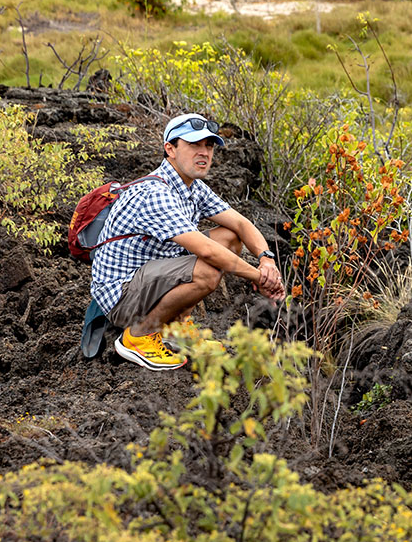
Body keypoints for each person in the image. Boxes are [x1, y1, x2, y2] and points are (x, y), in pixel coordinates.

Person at [90, 113, 285, 370]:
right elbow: (205, 250)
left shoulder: (192, 186)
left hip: (149, 278)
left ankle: (175, 328)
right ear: (170, 149)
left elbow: (241, 224)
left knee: (229, 237)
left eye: (209, 145)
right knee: (207, 270)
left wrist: (266, 261)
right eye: (194, 145)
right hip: (122, 296)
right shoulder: (155, 193)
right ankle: (138, 336)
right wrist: (259, 278)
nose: (204, 152)